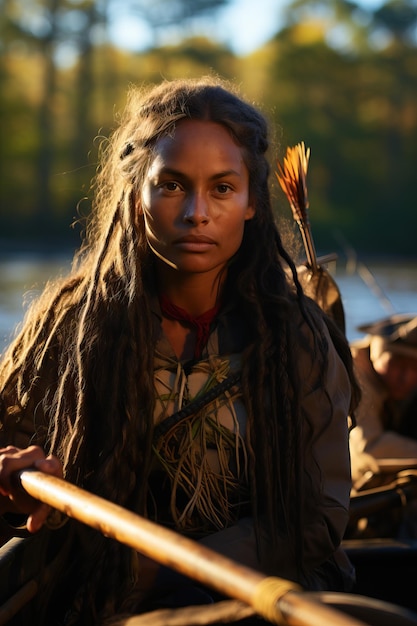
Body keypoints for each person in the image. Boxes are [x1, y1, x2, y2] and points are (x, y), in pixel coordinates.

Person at [0, 76, 360, 625]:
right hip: (96, 588)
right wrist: (12, 478)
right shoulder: (69, 326)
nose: (197, 212)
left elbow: (318, 516)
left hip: (261, 593)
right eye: (171, 185)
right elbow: (12, 458)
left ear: (251, 204)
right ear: (135, 197)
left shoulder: (297, 337)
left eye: (221, 188)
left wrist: (164, 568)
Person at [349, 313, 417, 490]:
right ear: (375, 353)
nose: (406, 378)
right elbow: (370, 447)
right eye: (397, 364)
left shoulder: (390, 381)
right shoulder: (353, 375)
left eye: (416, 367)